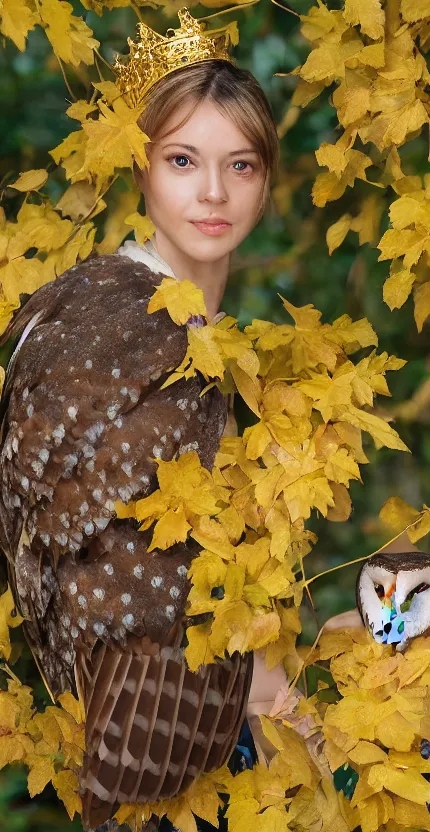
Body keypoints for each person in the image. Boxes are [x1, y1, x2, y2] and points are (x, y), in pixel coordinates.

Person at [0, 10, 278, 828]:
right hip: (158, 733)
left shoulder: (112, 309)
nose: (214, 193)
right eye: (184, 160)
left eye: (241, 165)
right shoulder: (137, 330)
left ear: (267, 179)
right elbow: (147, 608)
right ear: (141, 169)